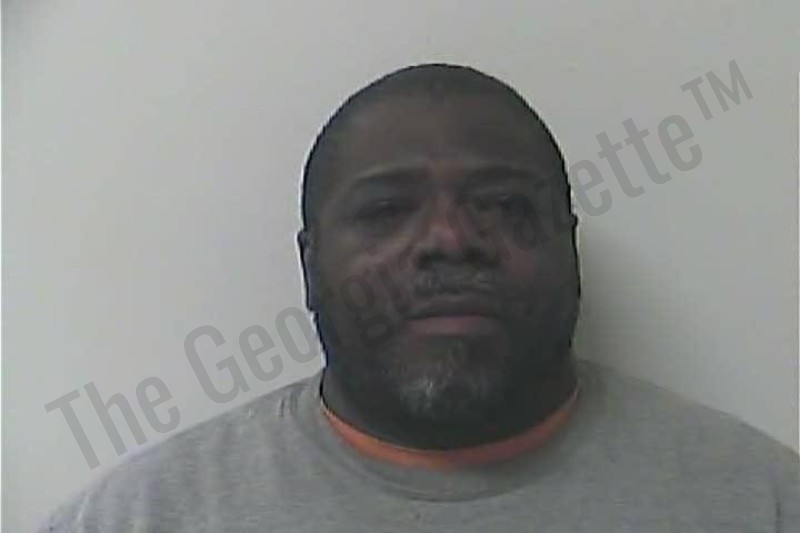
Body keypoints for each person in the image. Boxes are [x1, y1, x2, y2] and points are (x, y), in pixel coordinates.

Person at [41, 64, 798, 532]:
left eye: (503, 205)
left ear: (568, 247)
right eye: (385, 210)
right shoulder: (138, 518)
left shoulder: (762, 503)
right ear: (310, 264)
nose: (449, 239)